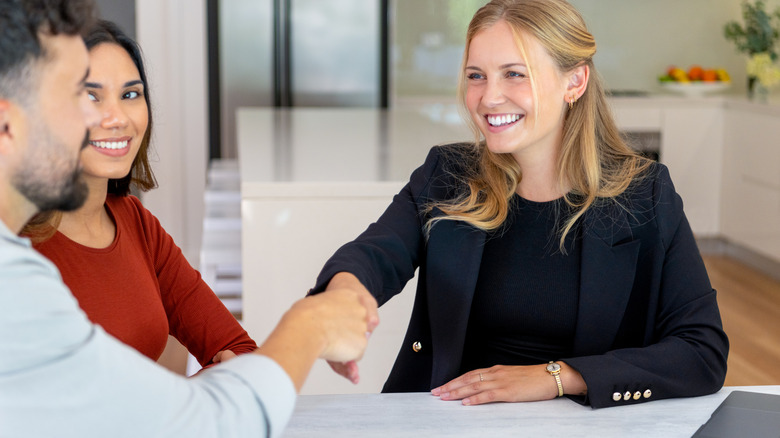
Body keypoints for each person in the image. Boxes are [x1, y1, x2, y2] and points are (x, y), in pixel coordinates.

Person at [310, 0, 728, 409]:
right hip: (451, 420)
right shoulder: (449, 173)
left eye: (514, 74)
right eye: (477, 75)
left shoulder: (645, 194)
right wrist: (343, 297)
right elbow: (377, 253)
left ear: (575, 82)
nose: (489, 97)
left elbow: (701, 350)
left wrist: (557, 377)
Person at [0, 1, 378, 436]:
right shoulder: (18, 283)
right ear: (9, 121)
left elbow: (230, 361)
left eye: (130, 93)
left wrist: (192, 403)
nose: (108, 118)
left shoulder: (131, 222)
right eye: (78, 94)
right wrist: (310, 325)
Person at [21, 20, 253, 370]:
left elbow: (239, 350)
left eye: (131, 94)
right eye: (90, 96)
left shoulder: (134, 221)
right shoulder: (15, 244)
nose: (118, 118)